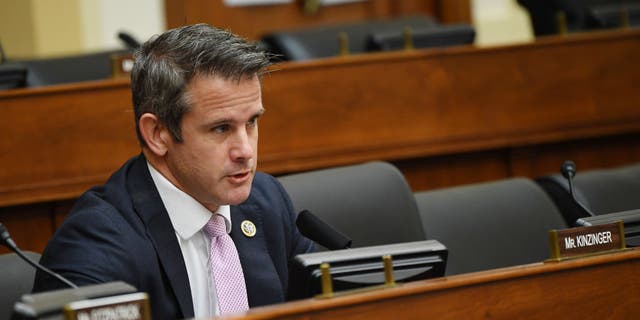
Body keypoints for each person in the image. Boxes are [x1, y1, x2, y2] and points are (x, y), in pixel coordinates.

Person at [32, 24, 314, 319]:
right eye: (221, 128)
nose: (245, 150)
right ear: (157, 134)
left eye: (252, 122)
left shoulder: (266, 200)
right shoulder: (97, 245)